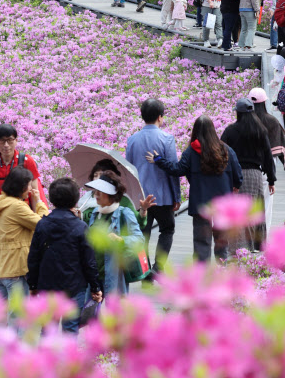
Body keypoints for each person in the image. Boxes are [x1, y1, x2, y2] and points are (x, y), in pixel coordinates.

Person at [152, 115, 243, 262]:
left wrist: (159, 160)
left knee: (201, 240)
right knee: (221, 238)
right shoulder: (226, 149)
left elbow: (178, 169)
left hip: (201, 202)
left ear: (195, 131)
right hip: (222, 202)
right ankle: (222, 264)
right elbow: (238, 175)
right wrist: (236, 186)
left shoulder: (191, 151)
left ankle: (202, 268)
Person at [26, 177, 102, 333]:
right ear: (75, 199)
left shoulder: (42, 224)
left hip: (48, 287)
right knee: (70, 329)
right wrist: (95, 287)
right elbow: (89, 261)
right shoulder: (80, 227)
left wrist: (32, 285)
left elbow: (33, 257)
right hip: (74, 287)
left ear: (52, 199)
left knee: (48, 329)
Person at [126, 98, 180, 274]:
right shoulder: (167, 139)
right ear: (159, 117)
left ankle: (145, 270)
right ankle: (158, 269)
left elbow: (128, 170)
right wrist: (177, 197)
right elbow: (172, 169)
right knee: (167, 230)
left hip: (140, 198)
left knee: (142, 235)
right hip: (163, 196)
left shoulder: (132, 140)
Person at [0, 166, 48, 306]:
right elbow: (44, 225)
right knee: (18, 315)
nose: (30, 189)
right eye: (29, 185)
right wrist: (39, 202)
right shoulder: (17, 207)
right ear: (21, 186)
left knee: (1, 315)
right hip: (15, 269)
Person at [221, 99, 275, 251]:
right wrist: (271, 180)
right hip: (255, 174)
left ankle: (241, 247)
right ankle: (257, 244)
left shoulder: (230, 130)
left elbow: (221, 152)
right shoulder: (260, 130)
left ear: (238, 113)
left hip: (235, 175)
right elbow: (268, 156)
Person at [83, 172, 144, 298]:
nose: (96, 195)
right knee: (90, 309)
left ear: (110, 194)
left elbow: (139, 239)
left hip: (115, 275)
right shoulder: (95, 213)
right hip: (94, 275)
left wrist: (121, 239)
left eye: (100, 192)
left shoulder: (124, 213)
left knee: (115, 309)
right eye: (95, 191)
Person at [0, 123, 44, 212]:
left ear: (16, 141)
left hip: (23, 212)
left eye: (10, 140)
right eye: (2, 141)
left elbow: (34, 191)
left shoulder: (27, 161)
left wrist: (36, 215)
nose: (6, 145)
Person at [249, 87, 285, 227]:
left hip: (247, 167)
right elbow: (280, 144)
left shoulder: (246, 121)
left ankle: (250, 234)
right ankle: (264, 235)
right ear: (264, 102)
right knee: (266, 203)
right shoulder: (272, 121)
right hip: (267, 166)